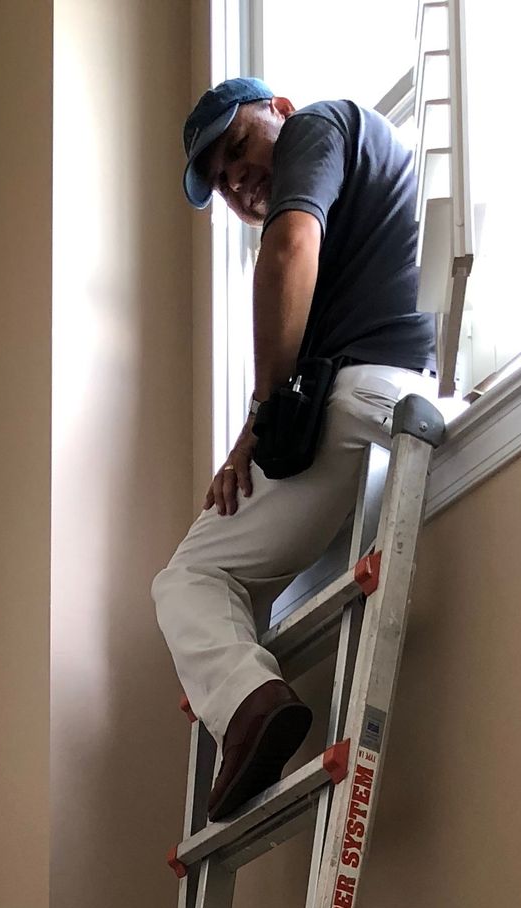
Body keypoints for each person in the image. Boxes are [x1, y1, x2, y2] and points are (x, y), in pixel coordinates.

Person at [154, 77, 439, 823]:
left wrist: (263, 412)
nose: (235, 179)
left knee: (186, 580)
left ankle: (253, 707)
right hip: (379, 397)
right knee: (225, 586)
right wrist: (254, 435)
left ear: (276, 110)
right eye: (219, 179)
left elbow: (287, 250)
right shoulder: (355, 184)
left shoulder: (318, 126)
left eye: (239, 148)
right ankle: (250, 707)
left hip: (359, 398)